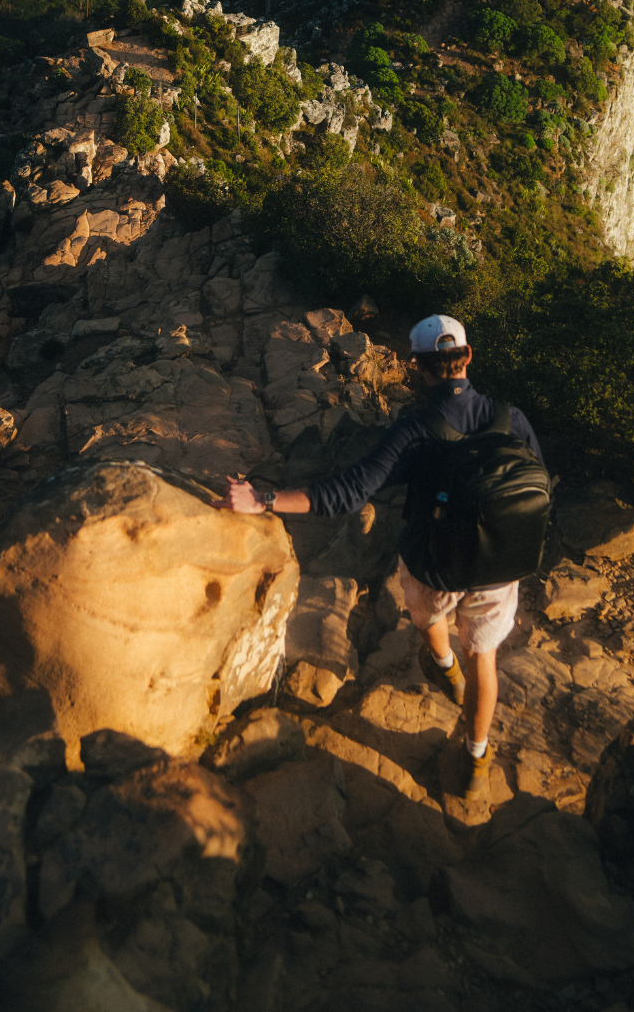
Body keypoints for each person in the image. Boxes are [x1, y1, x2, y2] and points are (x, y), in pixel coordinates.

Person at [218, 314, 545, 800]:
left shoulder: (416, 430)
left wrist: (263, 500)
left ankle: (441, 663)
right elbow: (538, 481)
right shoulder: (511, 417)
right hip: (498, 566)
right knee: (486, 660)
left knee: (427, 615)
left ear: (416, 367)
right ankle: (476, 761)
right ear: (468, 357)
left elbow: (350, 492)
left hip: (436, 564)